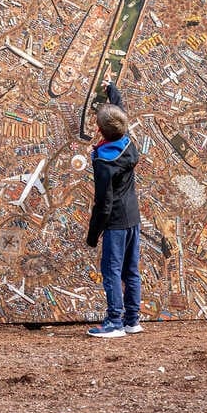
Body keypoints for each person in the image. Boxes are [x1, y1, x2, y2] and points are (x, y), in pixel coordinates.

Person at [85, 80, 142, 338]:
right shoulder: (128, 143)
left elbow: (103, 203)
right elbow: (118, 116)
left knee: (112, 271)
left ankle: (114, 323)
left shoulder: (104, 163)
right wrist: (112, 90)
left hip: (116, 222)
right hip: (133, 218)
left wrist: (92, 234)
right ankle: (132, 320)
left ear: (99, 130)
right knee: (131, 271)